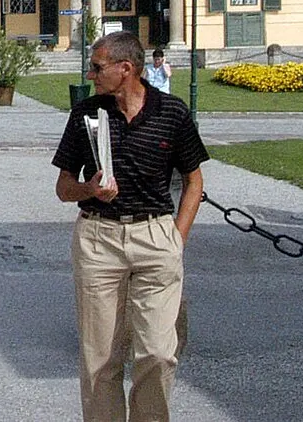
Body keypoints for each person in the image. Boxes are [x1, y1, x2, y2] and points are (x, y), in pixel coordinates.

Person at [52, 30, 206, 422]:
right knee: (100, 358)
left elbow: (194, 181)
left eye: (97, 66)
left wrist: (177, 237)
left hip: (155, 237)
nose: (90, 73)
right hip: (98, 238)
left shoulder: (172, 112)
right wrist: (89, 188)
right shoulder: (85, 113)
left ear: (126, 69)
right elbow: (63, 187)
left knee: (157, 351)